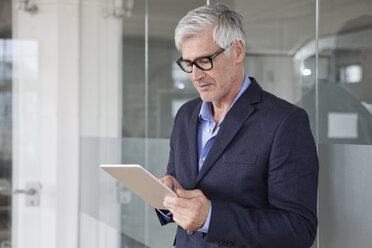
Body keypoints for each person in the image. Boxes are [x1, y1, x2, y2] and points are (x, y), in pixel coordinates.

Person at [156, 4, 319, 248]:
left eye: (204, 61)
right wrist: (167, 200)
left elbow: (299, 229)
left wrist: (210, 218)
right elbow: (180, 194)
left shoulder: (284, 122)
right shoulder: (185, 115)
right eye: (188, 63)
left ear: (238, 52)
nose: (195, 75)